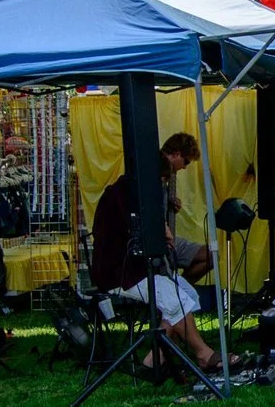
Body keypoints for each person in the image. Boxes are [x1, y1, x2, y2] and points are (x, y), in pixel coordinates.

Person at [90, 132, 222, 376]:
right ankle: (203, 354)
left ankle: (154, 359)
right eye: (162, 180)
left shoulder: (132, 193)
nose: (163, 185)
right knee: (176, 300)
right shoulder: (122, 195)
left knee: (187, 294)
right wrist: (162, 232)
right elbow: (136, 235)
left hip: (138, 268)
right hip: (121, 273)